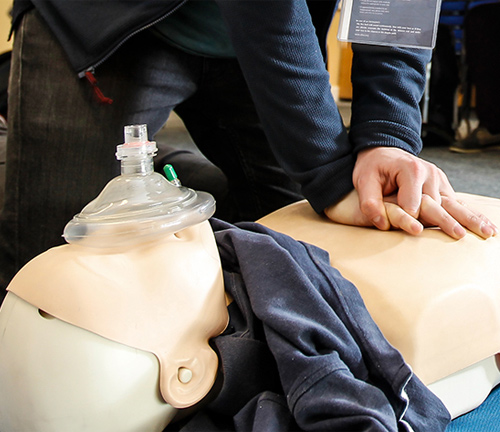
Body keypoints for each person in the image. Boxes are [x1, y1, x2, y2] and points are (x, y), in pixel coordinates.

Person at [0, 0, 497, 296]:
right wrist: (326, 171)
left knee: (301, 238)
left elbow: (397, 6)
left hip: (250, 46)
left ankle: (165, 173)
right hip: (112, 24)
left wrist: (387, 138)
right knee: (53, 259)